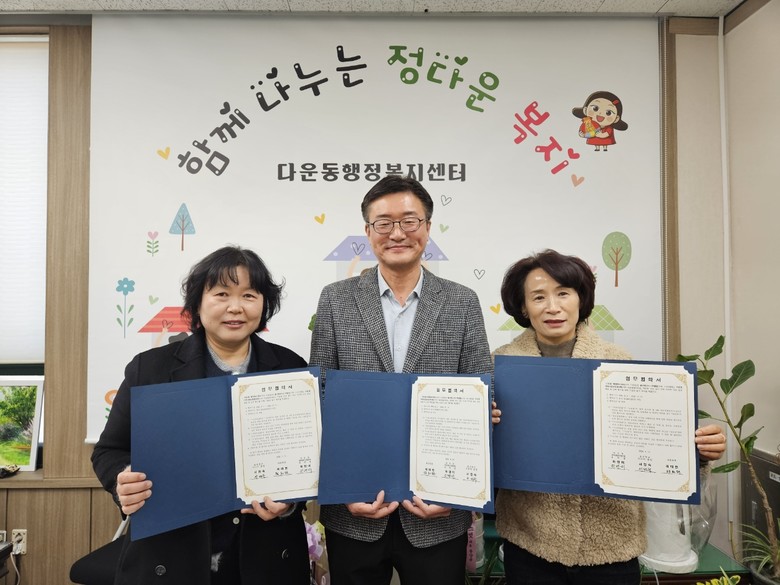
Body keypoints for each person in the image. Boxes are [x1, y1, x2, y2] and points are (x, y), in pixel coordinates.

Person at [493, 248, 726, 585]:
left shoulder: (620, 363)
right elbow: (489, 451)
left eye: (563, 293)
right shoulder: (501, 367)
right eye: (539, 297)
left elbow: (651, 444)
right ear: (524, 307)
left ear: (581, 299)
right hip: (530, 544)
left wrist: (698, 451)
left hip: (612, 547)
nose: (552, 306)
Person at [309, 175, 494, 585]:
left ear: (427, 227)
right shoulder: (335, 299)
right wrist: (344, 489)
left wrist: (454, 495)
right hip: (354, 513)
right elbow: (320, 398)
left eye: (410, 221)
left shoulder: (462, 301)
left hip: (437, 514)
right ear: (367, 231)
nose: (397, 233)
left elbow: (481, 397)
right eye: (384, 223)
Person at [91, 246, 310, 585]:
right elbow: (109, 450)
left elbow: (307, 456)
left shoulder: (291, 368)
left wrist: (290, 502)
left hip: (264, 554)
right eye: (222, 294)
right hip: (172, 553)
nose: (235, 307)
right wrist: (123, 480)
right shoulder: (150, 369)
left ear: (264, 304)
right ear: (197, 302)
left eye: (249, 295)